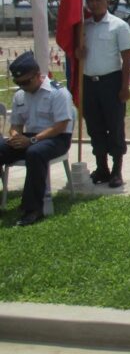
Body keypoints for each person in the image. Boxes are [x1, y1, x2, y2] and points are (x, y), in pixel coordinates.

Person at [0, 52, 74, 226]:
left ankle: (33, 209)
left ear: (37, 75)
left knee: (35, 152)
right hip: (30, 137)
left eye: (26, 82)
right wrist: (14, 136)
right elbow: (16, 125)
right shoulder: (20, 95)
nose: (22, 86)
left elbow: (61, 126)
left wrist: (31, 141)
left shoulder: (58, 92)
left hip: (57, 138)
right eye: (19, 83)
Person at [79, 0, 130, 188]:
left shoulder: (119, 26)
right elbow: (79, 56)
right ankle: (102, 168)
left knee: (115, 127)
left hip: (111, 82)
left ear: (107, 2)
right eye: (91, 0)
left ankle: (117, 170)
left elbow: (126, 59)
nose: (94, 4)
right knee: (95, 127)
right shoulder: (84, 26)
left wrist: (124, 87)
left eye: (98, 0)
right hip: (89, 83)